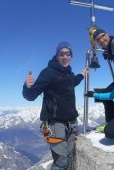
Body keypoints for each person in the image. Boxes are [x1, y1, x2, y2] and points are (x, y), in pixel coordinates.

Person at [22, 41, 87, 170]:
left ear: (71, 56)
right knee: (60, 163)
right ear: (56, 56)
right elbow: (31, 96)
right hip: (55, 124)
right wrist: (27, 87)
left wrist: (82, 75)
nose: (65, 57)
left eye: (67, 54)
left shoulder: (69, 73)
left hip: (71, 122)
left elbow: (71, 83)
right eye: (61, 54)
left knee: (69, 156)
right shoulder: (48, 72)